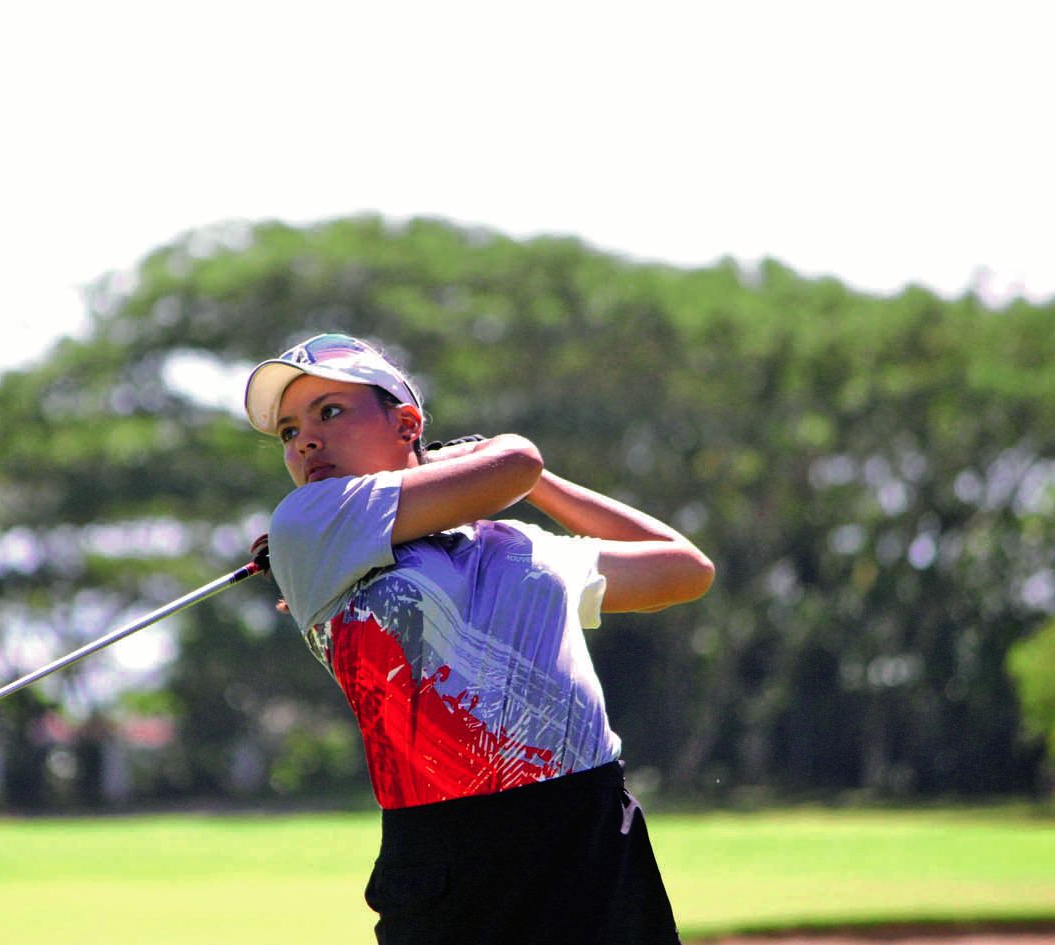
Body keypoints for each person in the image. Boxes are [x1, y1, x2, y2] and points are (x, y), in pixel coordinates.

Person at [244, 332, 715, 945]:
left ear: (407, 424)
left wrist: (541, 489)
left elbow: (683, 568)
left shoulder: (514, 543)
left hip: (590, 832)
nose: (305, 438)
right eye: (287, 431)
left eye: (330, 411)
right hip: (447, 853)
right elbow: (515, 462)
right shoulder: (310, 520)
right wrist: (506, 463)